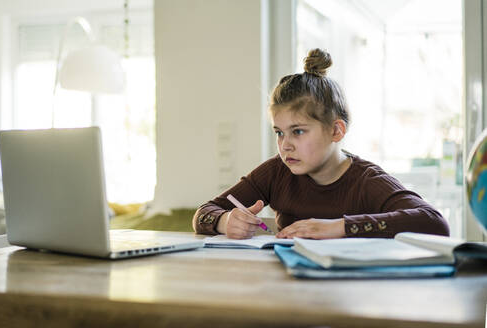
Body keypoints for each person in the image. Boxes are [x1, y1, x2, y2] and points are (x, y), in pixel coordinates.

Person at [192, 48, 449, 240]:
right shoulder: (276, 172)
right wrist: (225, 221)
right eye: (279, 133)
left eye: (298, 131)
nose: (286, 145)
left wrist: (338, 227)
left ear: (336, 131)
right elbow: (204, 213)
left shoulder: (366, 181)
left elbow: (434, 222)